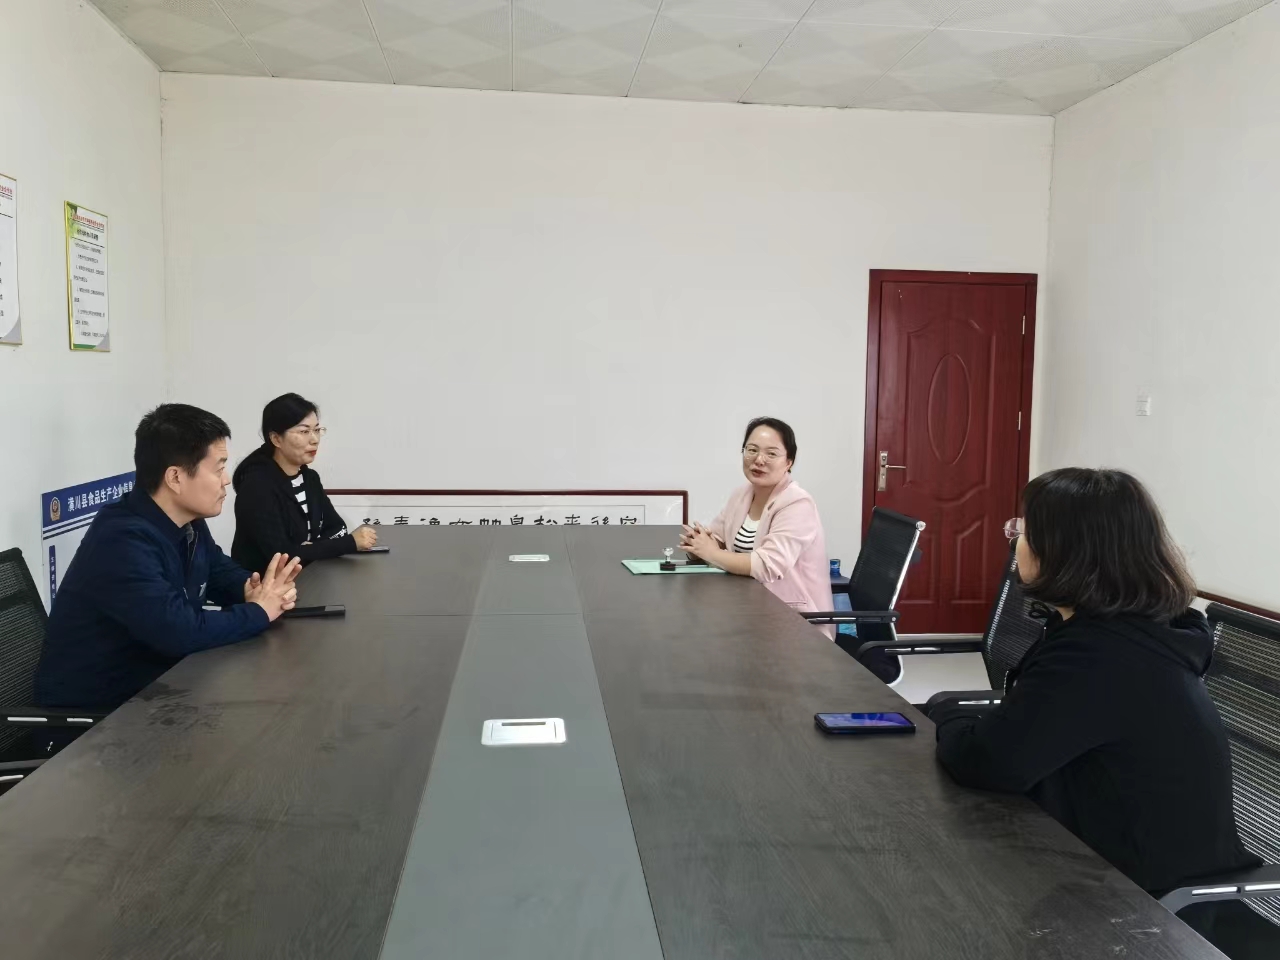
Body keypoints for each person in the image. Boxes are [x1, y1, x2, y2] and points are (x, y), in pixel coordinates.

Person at [931, 468, 1278, 959]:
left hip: (1148, 909)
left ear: (1067, 550)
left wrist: (948, 714)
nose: (1015, 539)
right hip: (1108, 860)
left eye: (1025, 529)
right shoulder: (1130, 632)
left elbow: (988, 762)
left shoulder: (1100, 654)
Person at [35, 404, 301, 720]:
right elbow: (178, 632)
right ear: (175, 477)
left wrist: (251, 588)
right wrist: (259, 611)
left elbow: (216, 567)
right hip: (93, 720)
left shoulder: (187, 521)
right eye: (218, 469)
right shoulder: (121, 539)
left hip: (157, 694)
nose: (226, 480)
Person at [680, 417, 834, 632]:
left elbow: (767, 566)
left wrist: (711, 553)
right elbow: (718, 537)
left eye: (771, 454)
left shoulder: (797, 503)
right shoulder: (742, 494)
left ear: (789, 462)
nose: (759, 460)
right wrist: (697, 545)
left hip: (794, 623)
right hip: (748, 608)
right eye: (752, 450)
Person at [231, 393, 376, 574]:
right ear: (276, 439)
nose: (315, 439)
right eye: (304, 431)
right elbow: (281, 556)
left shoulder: (310, 478)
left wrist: (309, 548)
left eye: (317, 430)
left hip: (309, 577)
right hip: (265, 585)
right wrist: (348, 543)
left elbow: (338, 528)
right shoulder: (257, 486)